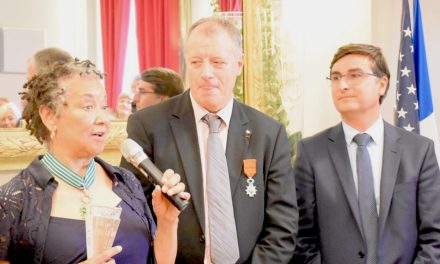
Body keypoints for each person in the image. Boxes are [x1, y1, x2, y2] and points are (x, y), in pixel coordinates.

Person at [121, 16, 297, 263]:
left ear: (239, 64)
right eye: (195, 62)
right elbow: (132, 213)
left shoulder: (268, 133)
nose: (206, 73)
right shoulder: (149, 125)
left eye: (217, 62)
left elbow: (282, 224)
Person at [0, 60, 190, 264]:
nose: (104, 119)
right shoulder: (14, 200)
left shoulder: (126, 183)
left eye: (104, 107)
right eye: (88, 106)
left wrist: (167, 221)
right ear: (49, 116)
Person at [292, 43, 440, 263]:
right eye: (335, 77)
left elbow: (434, 235)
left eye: (355, 75)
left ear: (382, 84)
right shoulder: (311, 152)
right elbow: (302, 236)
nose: (342, 85)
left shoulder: (419, 151)